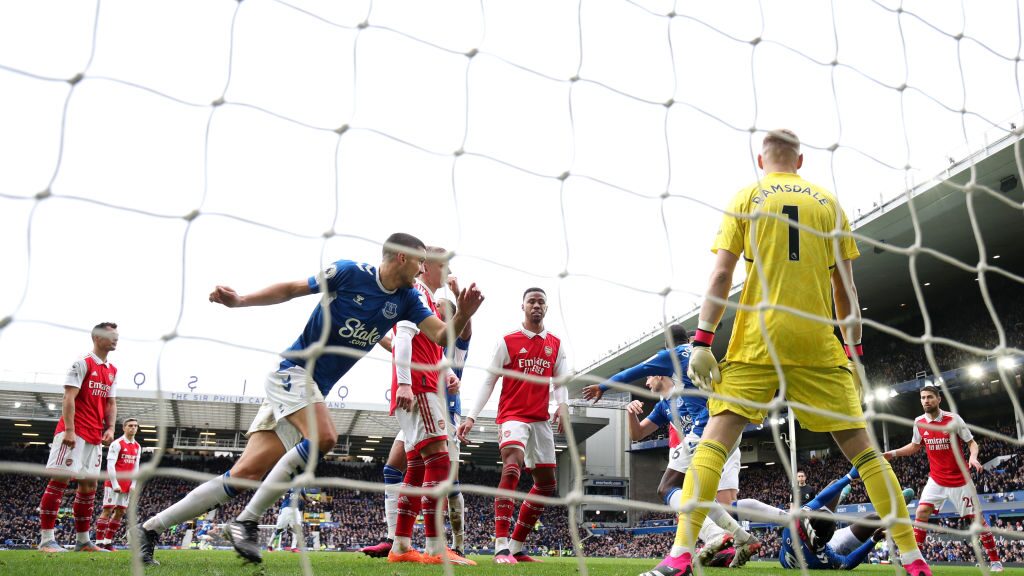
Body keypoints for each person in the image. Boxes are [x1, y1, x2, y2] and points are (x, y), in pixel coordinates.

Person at [643, 130, 929, 576]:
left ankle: (680, 555)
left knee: (714, 443)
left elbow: (721, 276)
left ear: (761, 159)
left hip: (759, 338)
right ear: (801, 160)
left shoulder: (747, 196)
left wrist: (701, 341)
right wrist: (853, 354)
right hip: (817, 343)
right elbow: (846, 291)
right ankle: (913, 561)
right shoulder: (828, 203)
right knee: (866, 453)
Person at [134, 233, 484, 565]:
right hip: (293, 373)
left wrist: (464, 312)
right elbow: (290, 289)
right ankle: (247, 522)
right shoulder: (349, 272)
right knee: (325, 437)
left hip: (311, 390)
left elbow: (439, 335)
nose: (423, 270)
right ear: (401, 257)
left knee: (244, 473)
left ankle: (149, 530)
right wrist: (240, 301)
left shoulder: (406, 299)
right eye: (420, 262)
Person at [581, 326, 758, 565]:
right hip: (726, 425)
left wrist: (602, 387)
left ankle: (715, 535)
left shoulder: (672, 356)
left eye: (651, 376)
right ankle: (743, 537)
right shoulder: (698, 357)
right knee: (700, 495)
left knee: (667, 488)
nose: (647, 381)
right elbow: (638, 433)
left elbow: (635, 370)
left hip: (706, 429)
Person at [361, 272, 472, 560]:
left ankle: (417, 543)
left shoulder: (451, 339)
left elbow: (448, 344)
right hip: (422, 396)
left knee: (430, 474)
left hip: (444, 410)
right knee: (430, 465)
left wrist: (461, 305)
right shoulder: (418, 304)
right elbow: (403, 340)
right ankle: (425, 544)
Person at [457, 287, 569, 564]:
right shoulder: (508, 341)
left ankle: (517, 547)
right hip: (513, 416)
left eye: (541, 302)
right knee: (512, 466)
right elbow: (489, 380)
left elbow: (560, 381)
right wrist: (471, 416)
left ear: (546, 307)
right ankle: (500, 546)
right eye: (531, 301)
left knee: (546, 485)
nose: (536, 306)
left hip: (541, 419)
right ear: (523, 306)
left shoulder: (555, 343)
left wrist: (563, 407)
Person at [884, 385, 1003, 572]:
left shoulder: (953, 420)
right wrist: (892, 454)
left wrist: (973, 457)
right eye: (923, 398)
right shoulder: (919, 422)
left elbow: (972, 443)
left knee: (977, 522)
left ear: (939, 399)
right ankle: (916, 561)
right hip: (936, 479)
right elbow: (915, 446)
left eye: (930, 397)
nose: (926, 401)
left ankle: (995, 560)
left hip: (960, 480)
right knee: (921, 513)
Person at [37, 322, 119, 553]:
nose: (116, 340)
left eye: (117, 337)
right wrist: (70, 430)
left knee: (89, 484)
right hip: (75, 432)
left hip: (95, 435)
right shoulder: (82, 363)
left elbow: (111, 402)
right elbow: (68, 398)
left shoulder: (112, 369)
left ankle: (83, 541)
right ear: (97, 337)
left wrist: (110, 428)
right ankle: (46, 540)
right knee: (60, 481)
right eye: (111, 336)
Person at [705, 468, 889, 570]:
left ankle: (840, 498)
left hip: (806, 540)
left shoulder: (795, 524)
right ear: (825, 540)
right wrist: (874, 539)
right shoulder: (825, 556)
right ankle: (894, 512)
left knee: (832, 490)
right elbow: (847, 563)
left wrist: (849, 476)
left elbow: (820, 500)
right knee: (875, 518)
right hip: (825, 542)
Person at [95, 417, 141, 550]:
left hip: (127, 485)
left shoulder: (137, 446)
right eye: (130, 425)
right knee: (107, 510)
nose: (133, 428)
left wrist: (133, 484)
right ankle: (98, 542)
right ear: (124, 428)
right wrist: (115, 483)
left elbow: (136, 467)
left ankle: (107, 542)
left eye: (135, 426)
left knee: (120, 511)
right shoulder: (117, 443)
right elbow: (110, 465)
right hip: (113, 483)